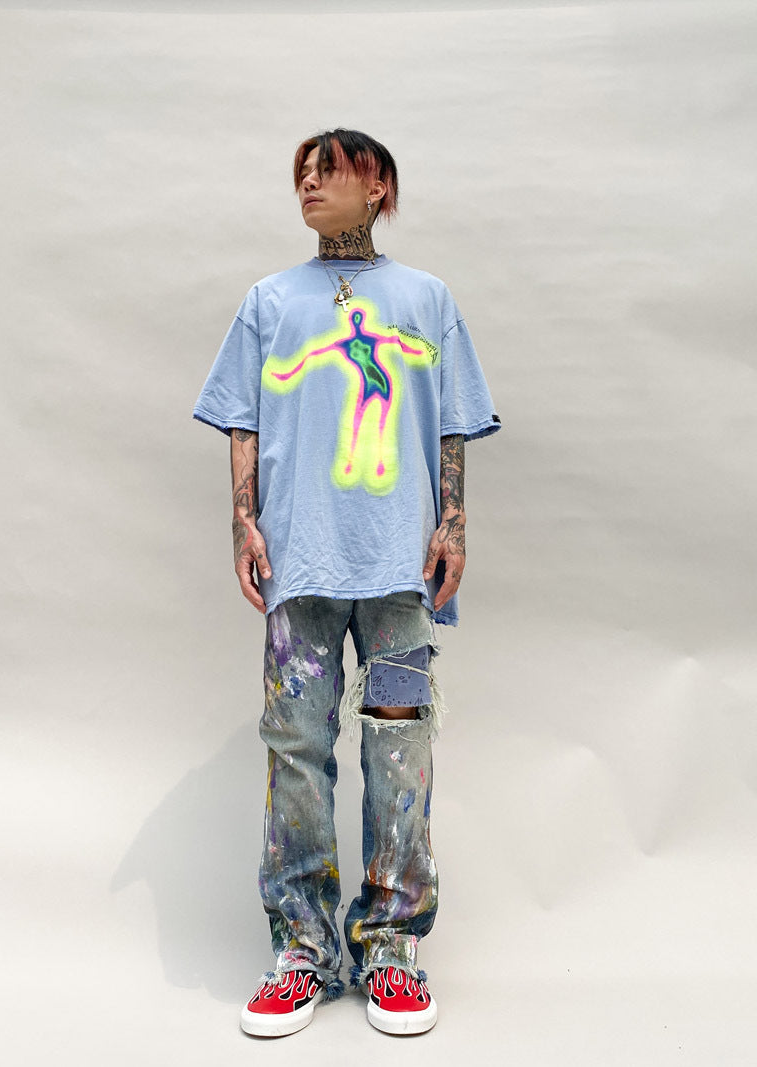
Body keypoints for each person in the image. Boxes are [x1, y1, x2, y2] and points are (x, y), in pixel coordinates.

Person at [193, 128, 501, 1037]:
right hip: (301, 562)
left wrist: (453, 522)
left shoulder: (426, 298)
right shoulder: (268, 300)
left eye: (328, 169)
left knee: (401, 743)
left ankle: (392, 947)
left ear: (378, 187)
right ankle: (303, 949)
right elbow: (243, 415)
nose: (309, 182)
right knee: (295, 743)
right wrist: (244, 519)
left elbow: (451, 420)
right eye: (302, 170)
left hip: (400, 566)